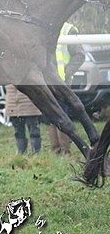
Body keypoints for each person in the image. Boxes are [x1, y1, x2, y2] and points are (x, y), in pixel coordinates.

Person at [49, 22, 85, 155]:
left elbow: (79, 55)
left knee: (62, 114)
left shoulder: (68, 29)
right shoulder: (45, 25)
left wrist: (66, 72)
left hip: (62, 82)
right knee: (51, 114)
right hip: (47, 80)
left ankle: (65, 151)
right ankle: (56, 150)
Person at [6, 85, 42, 155]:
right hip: (13, 103)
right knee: (18, 132)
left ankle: (35, 152)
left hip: (29, 103)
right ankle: (21, 151)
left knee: (33, 131)